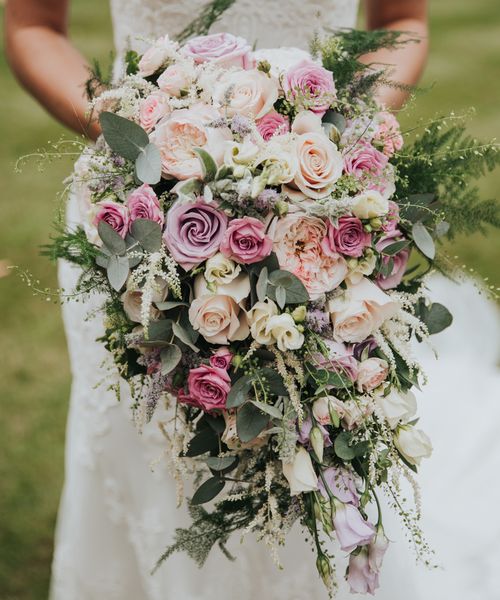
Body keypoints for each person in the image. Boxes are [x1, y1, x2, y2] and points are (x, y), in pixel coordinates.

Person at [5, 1, 499, 598]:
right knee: (149, 464)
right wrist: (139, 133)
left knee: (305, 458)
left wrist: (321, 142)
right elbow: (32, 28)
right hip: (136, 224)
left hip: (313, 212)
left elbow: (402, 22)